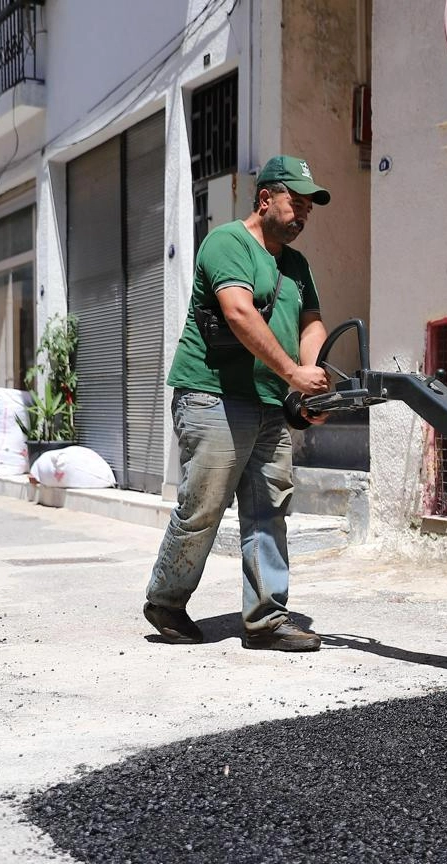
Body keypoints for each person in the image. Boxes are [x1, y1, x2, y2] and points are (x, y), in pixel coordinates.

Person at [143, 155, 333, 651]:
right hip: (212, 396)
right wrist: (292, 371)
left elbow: (311, 323)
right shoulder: (227, 243)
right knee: (203, 504)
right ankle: (166, 601)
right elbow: (238, 311)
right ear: (266, 197)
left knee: (269, 506)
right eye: (297, 200)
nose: (304, 212)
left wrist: (310, 381)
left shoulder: (297, 265)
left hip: (269, 401)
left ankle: (266, 618)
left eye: (311, 205)